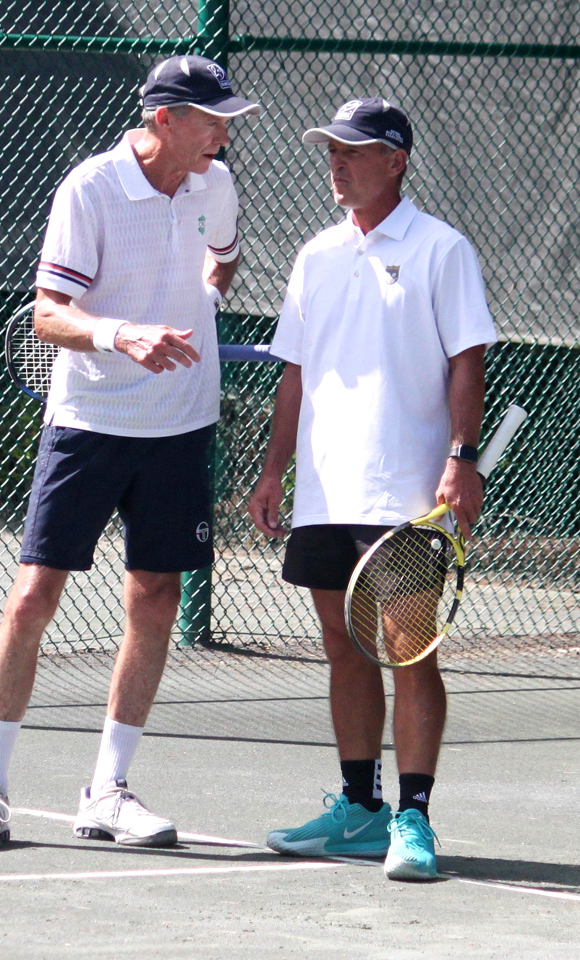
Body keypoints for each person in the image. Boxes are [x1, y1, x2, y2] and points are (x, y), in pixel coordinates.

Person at [0, 56, 261, 850]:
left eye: (226, 122)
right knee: (33, 599)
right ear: (164, 119)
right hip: (90, 420)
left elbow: (224, 256)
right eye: (211, 120)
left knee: (156, 600)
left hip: (180, 424)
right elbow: (47, 314)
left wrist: (205, 298)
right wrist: (123, 334)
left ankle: (109, 792)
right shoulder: (89, 188)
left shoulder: (216, 184)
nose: (223, 136)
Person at [246, 97, 496, 880]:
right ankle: (361, 809)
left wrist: (461, 458)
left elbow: (466, 360)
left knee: (407, 650)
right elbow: (294, 373)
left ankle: (413, 818)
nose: (338, 163)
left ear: (396, 161)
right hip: (326, 490)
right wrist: (274, 469)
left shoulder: (441, 249)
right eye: (332, 151)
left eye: (353, 152)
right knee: (342, 646)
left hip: (406, 492)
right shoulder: (316, 255)